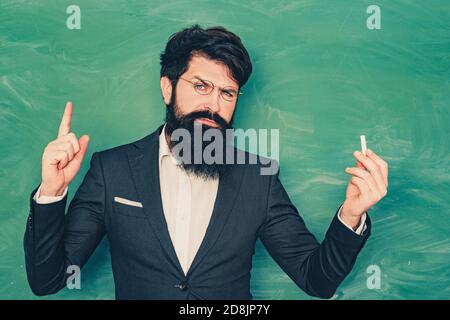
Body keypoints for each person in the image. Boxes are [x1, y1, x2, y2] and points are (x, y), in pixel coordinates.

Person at [24, 24, 388, 300]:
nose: (213, 105)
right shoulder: (112, 170)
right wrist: (52, 193)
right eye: (200, 86)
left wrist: (351, 214)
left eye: (226, 92)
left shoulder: (258, 178)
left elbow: (316, 280)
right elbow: (47, 280)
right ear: (168, 87)